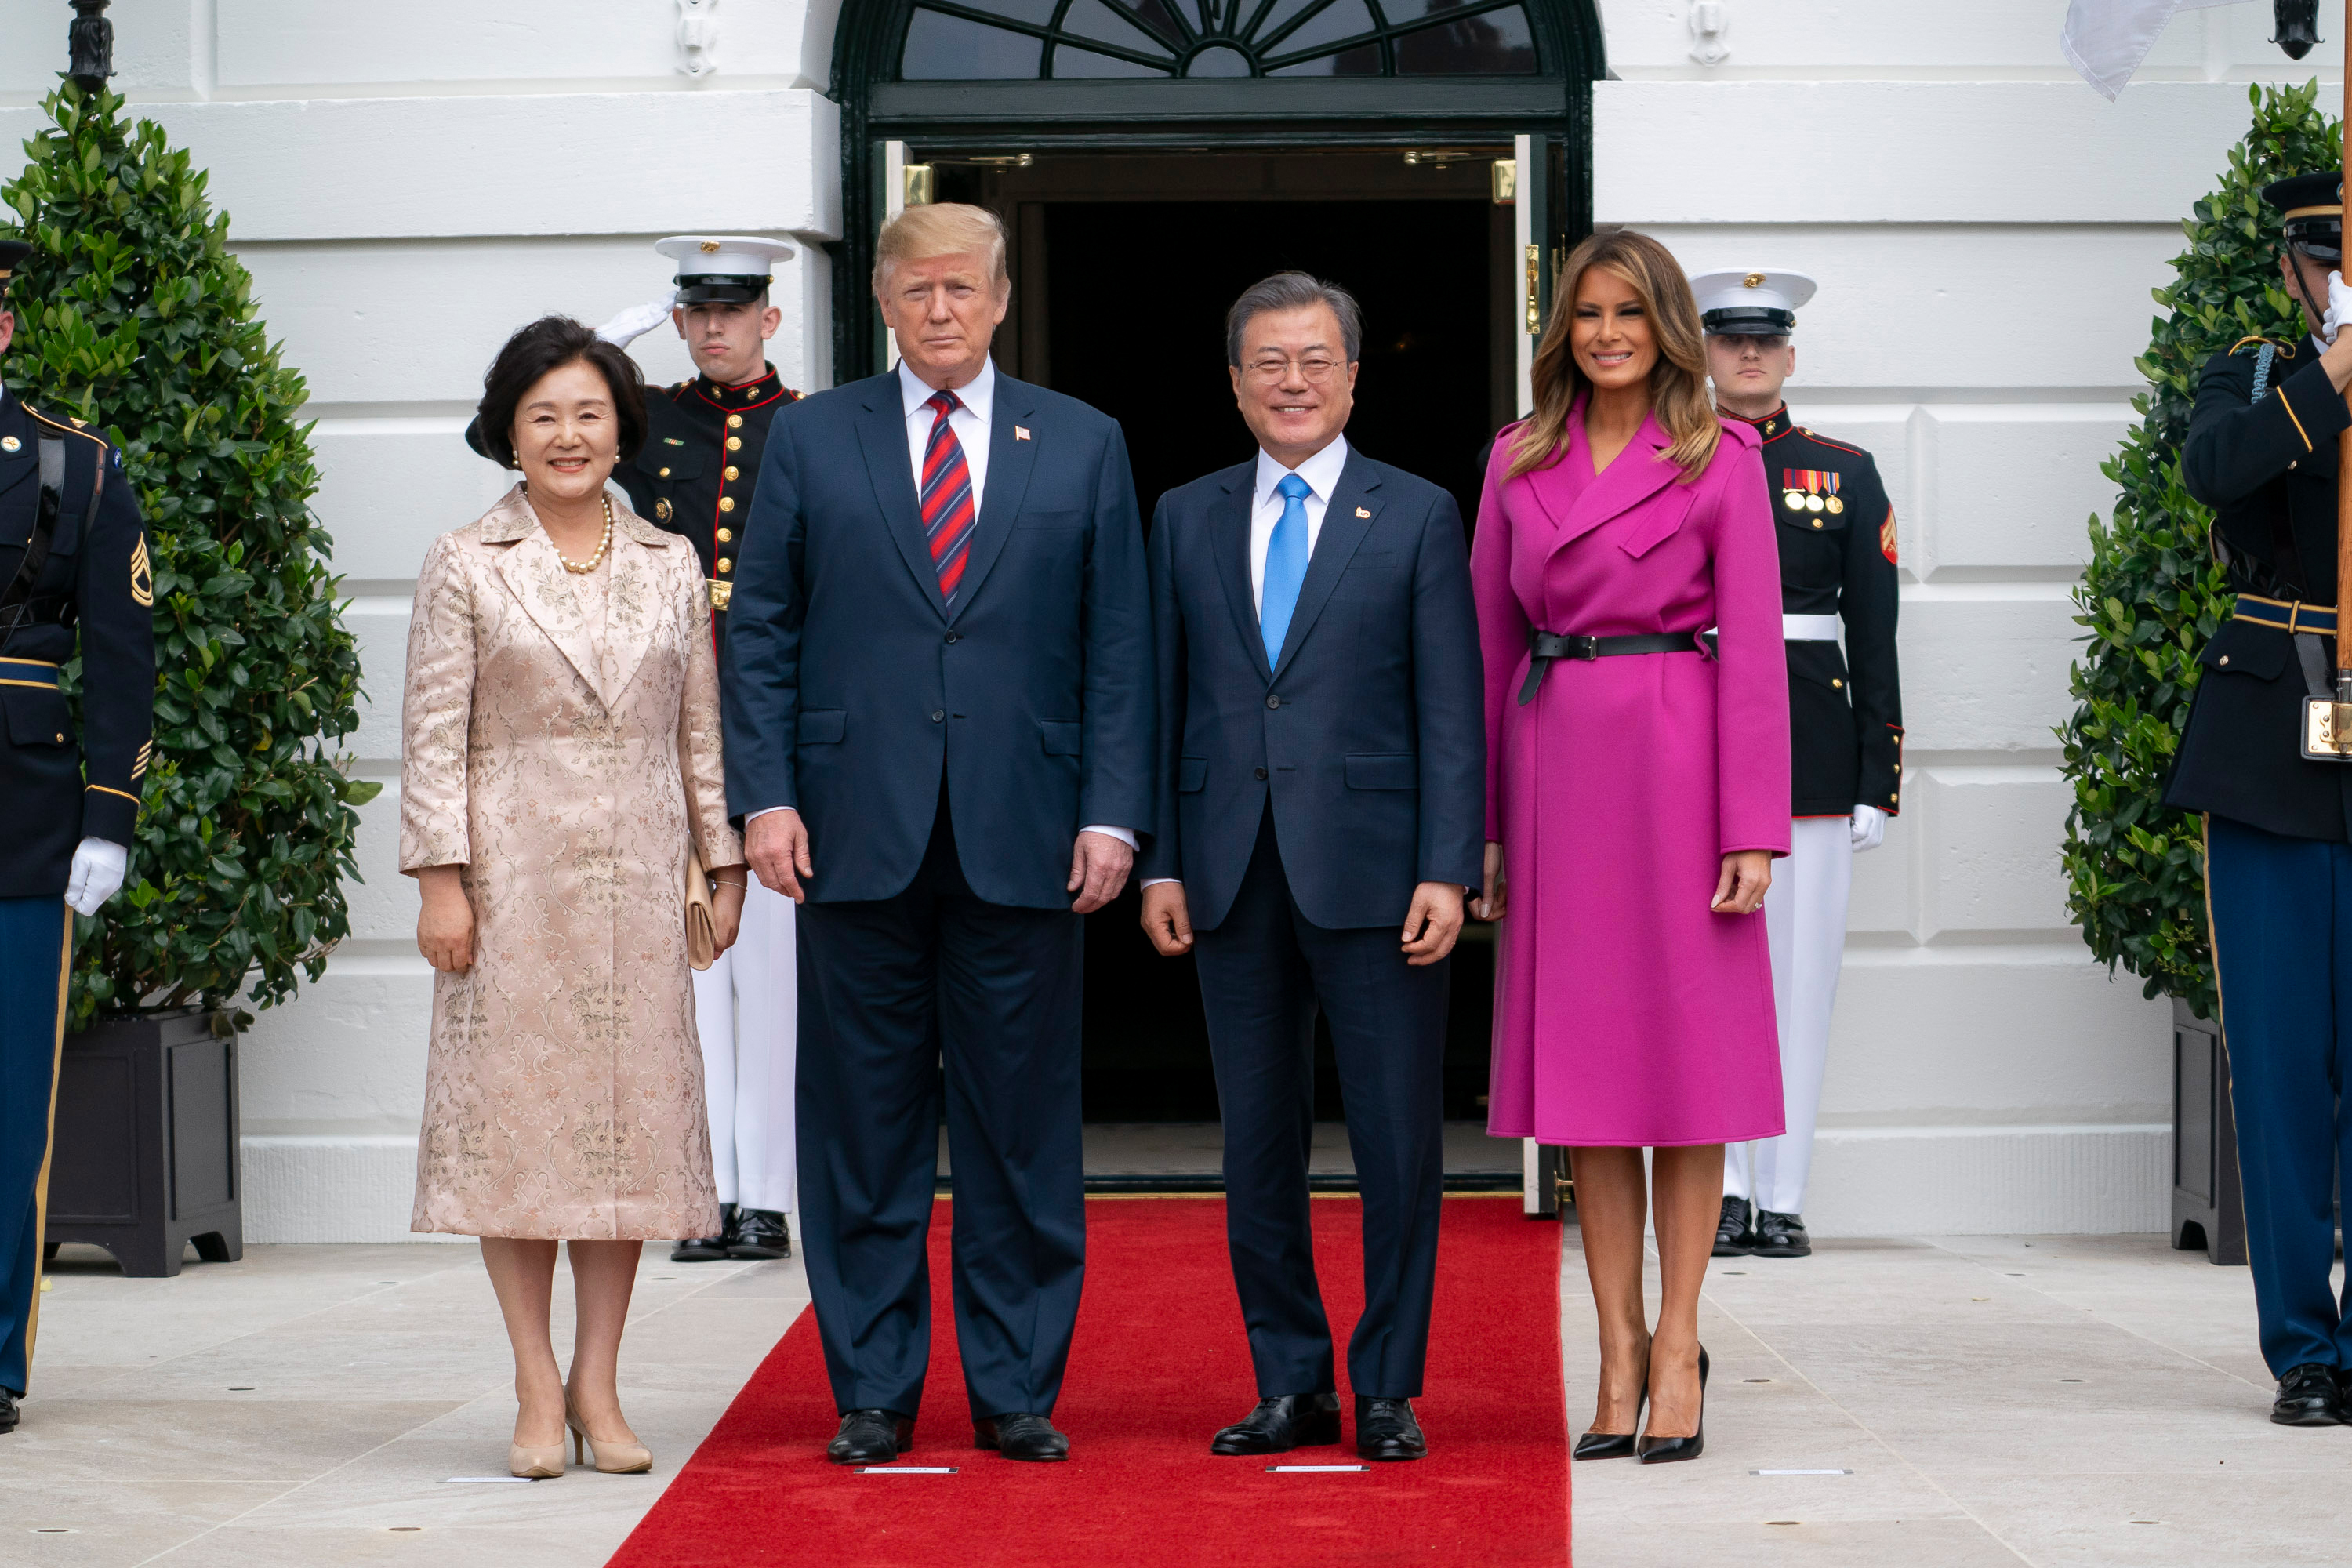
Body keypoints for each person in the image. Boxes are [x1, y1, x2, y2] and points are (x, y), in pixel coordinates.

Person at [723, 202, 1152, 1466]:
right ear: (886, 304)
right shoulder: (810, 440)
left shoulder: (1082, 444)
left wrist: (1114, 812)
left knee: (1022, 1129)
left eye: (963, 289)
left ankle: (1016, 1388)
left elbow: (1120, 647)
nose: (942, 311)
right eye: (918, 292)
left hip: (1029, 833)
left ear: (1002, 299)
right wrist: (767, 795)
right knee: (862, 1127)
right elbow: (761, 631)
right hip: (853, 833)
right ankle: (873, 1390)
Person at [1138, 273, 1483, 1463]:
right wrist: (1159, 864)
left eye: (1315, 359)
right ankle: (1291, 1379)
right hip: (1230, 873)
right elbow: (1162, 704)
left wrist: (1450, 865)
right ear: (1235, 382)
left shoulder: (1422, 510)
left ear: (1352, 374)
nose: (1293, 381)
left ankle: (1387, 1383)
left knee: (1397, 1138)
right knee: (1257, 1144)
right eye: (1269, 362)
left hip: (1381, 873)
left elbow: (1453, 707)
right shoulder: (1183, 514)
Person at [401, 314, 748, 1478]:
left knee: (625, 1141)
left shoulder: (668, 561)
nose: (568, 435)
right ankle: (534, 1385)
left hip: (643, 885)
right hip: (512, 884)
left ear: (623, 429)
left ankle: (600, 1384)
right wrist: (441, 883)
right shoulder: (466, 561)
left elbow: (701, 732)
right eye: (544, 414)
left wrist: (725, 863)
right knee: (518, 1138)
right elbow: (433, 736)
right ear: (509, 430)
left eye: (590, 413)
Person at [1471, 227, 1788, 1465]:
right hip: (1557, 776)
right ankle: (1611, 1348)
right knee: (1590, 1090)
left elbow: (1756, 652)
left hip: (1680, 764)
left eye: (1629, 314)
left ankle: (1678, 1346)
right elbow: (1490, 654)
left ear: (1667, 328)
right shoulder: (1516, 458)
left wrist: (1753, 825)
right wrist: (1487, 828)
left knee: (1687, 1073)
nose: (1606, 335)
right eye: (1587, 315)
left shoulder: (1723, 456)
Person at [2171, 171, 2352, 1427]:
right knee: (2283, 1064)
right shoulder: (2252, 373)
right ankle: (2306, 1345)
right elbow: (2215, 472)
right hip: (2272, 735)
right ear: (2297, 270)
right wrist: (2329, 380)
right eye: (2327, 261)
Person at [1695, 269, 1904, 1262]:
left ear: (1789, 354)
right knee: (1716, 977)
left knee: (1801, 980)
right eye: (1731, 339)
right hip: (1697, 748)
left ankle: (1783, 1189)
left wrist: (1878, 775)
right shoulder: (1672, 461)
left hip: (1814, 754)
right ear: (1703, 352)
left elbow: (1876, 632)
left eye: (1765, 341)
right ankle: (1723, 1187)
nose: (1748, 355)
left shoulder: (1844, 471)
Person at [622, 236, 803, 1269]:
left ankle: (764, 1198)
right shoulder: (648, 424)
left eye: (735, 312)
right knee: (692, 976)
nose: (716, 328)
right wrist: (615, 336)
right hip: (667, 719)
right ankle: (707, 1191)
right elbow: (496, 437)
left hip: (771, 724)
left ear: (769, 319)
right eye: (698, 313)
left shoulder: (812, 433)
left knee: (770, 981)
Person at [0, 237, 154, 1437]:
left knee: (9, 1102)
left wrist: (112, 814)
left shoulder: (76, 467)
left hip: (23, 816)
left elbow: (123, 653)